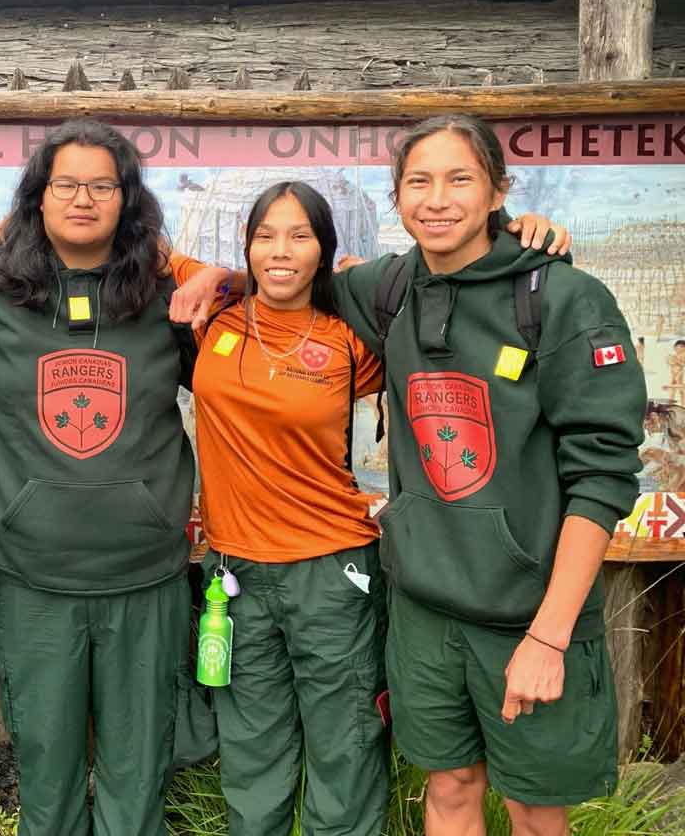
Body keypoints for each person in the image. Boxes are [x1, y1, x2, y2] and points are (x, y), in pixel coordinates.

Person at [335, 115, 642, 835]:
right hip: (425, 610)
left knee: (537, 812)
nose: (437, 200)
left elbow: (602, 476)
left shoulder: (563, 300)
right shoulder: (390, 286)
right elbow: (289, 276)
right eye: (419, 181)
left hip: (528, 616)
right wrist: (208, 282)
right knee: (448, 790)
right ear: (398, 196)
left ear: (498, 189)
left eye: (460, 179)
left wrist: (550, 638)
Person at [0, 118, 197, 836]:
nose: (83, 200)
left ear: (127, 200)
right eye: (66, 185)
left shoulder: (164, 290)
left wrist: (216, 272)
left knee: (136, 779)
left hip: (144, 576)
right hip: (37, 579)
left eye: (101, 185)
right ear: (38, 197)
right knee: (47, 782)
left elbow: (239, 370)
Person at [164, 180, 390, 835]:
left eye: (300, 235)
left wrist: (524, 232)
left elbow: (452, 288)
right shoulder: (216, 317)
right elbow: (141, 243)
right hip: (235, 576)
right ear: (247, 246)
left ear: (325, 248)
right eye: (265, 235)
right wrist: (216, 274)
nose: (281, 250)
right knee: (251, 752)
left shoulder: (351, 337)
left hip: (332, 571)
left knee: (343, 748)